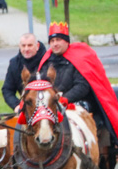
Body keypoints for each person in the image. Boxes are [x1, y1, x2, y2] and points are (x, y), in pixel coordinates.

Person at [38, 21, 118, 149]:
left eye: (58, 40)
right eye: (52, 41)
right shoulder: (46, 61)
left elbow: (82, 86)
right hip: (52, 102)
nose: (55, 44)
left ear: (66, 41)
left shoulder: (79, 57)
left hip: (78, 101)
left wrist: (65, 99)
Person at [2, 33, 47, 110]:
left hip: (47, 106)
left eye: (30, 45)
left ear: (37, 46)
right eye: (23, 46)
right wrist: (16, 106)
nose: (26, 49)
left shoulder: (48, 60)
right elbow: (7, 90)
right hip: (25, 109)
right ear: (19, 46)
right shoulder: (14, 63)